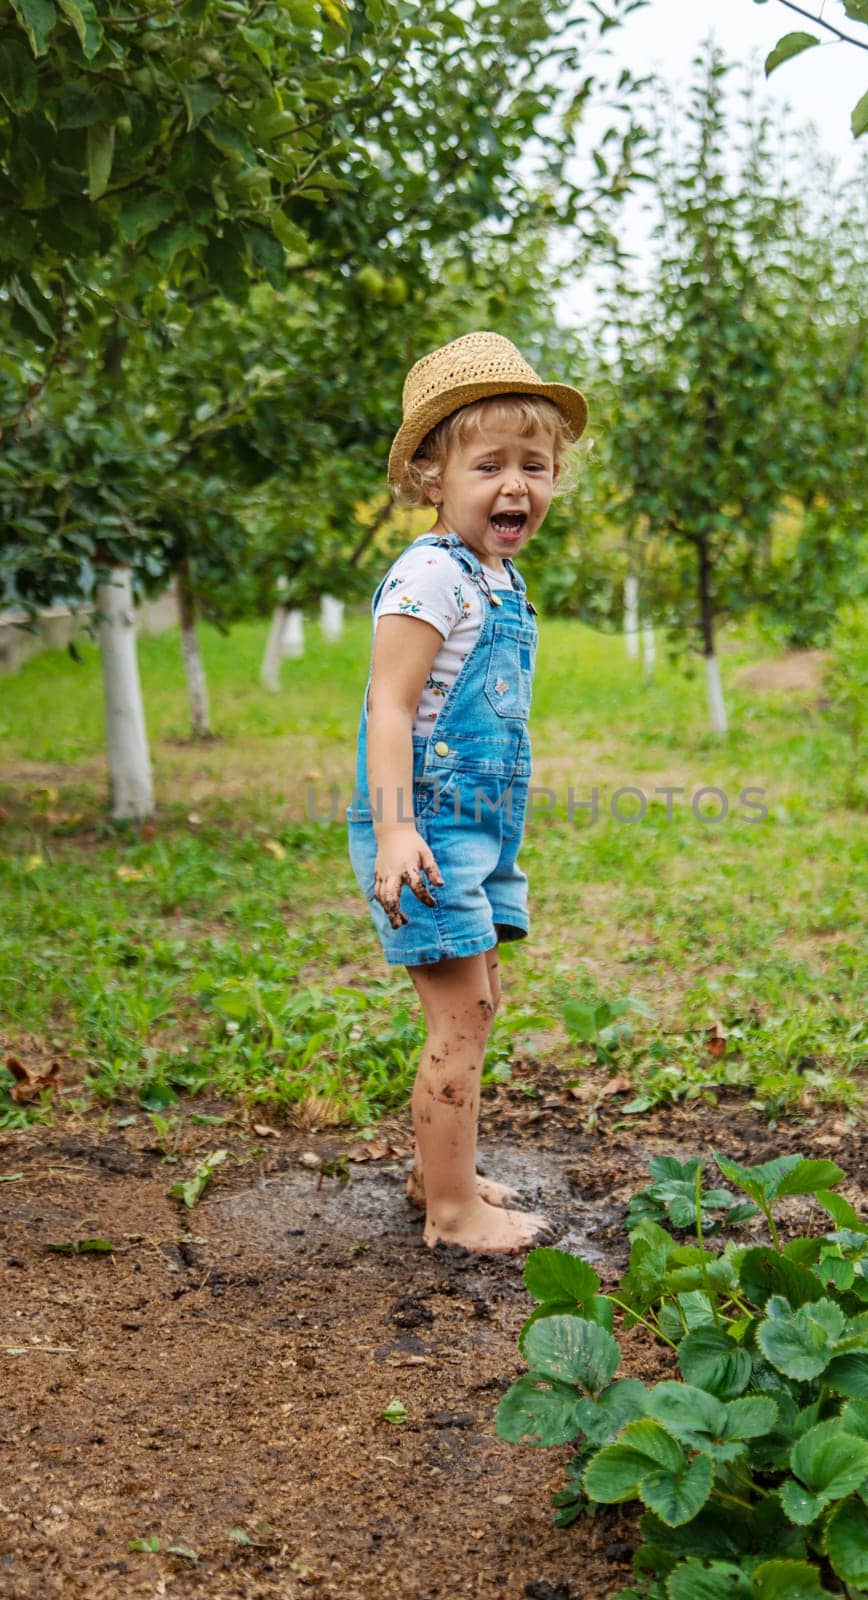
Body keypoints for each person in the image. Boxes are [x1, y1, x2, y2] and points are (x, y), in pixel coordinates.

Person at [346, 331, 588, 1254]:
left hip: (479, 829)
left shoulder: (498, 579)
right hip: (428, 827)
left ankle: (432, 1175)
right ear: (429, 476)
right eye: (489, 464)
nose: (516, 485)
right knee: (463, 1013)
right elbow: (390, 704)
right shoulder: (428, 574)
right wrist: (400, 831)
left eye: (537, 464)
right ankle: (451, 1213)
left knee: (480, 993)